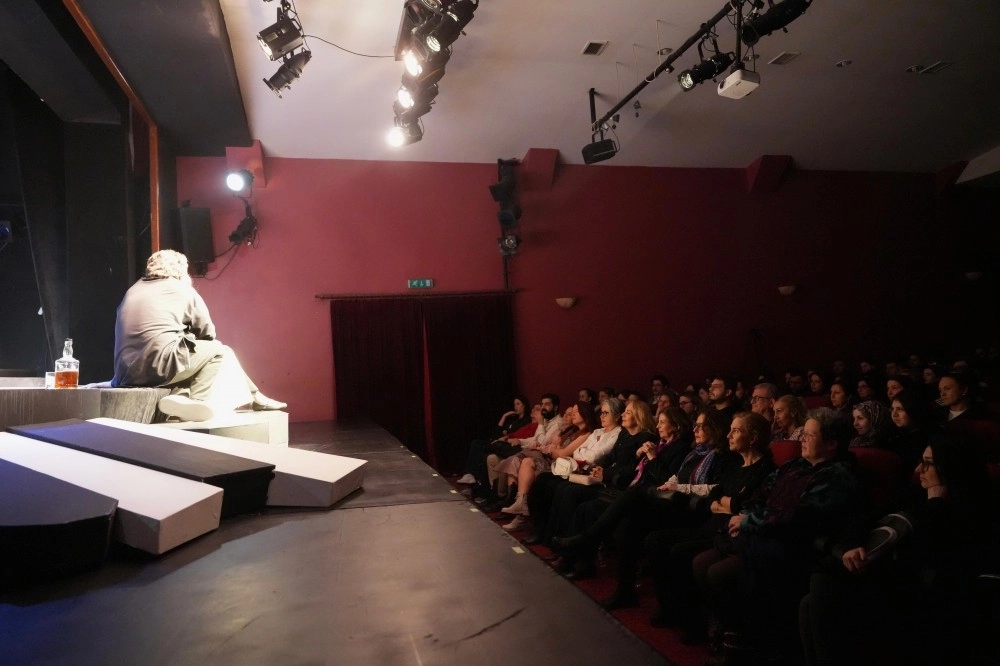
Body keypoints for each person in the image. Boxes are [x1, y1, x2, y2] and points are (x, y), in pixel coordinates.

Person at [111, 249, 285, 421]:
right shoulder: (181, 289)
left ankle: (183, 397)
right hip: (157, 367)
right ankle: (198, 402)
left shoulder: (132, 291)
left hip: (125, 374)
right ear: (181, 270)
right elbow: (208, 333)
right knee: (218, 350)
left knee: (185, 356)